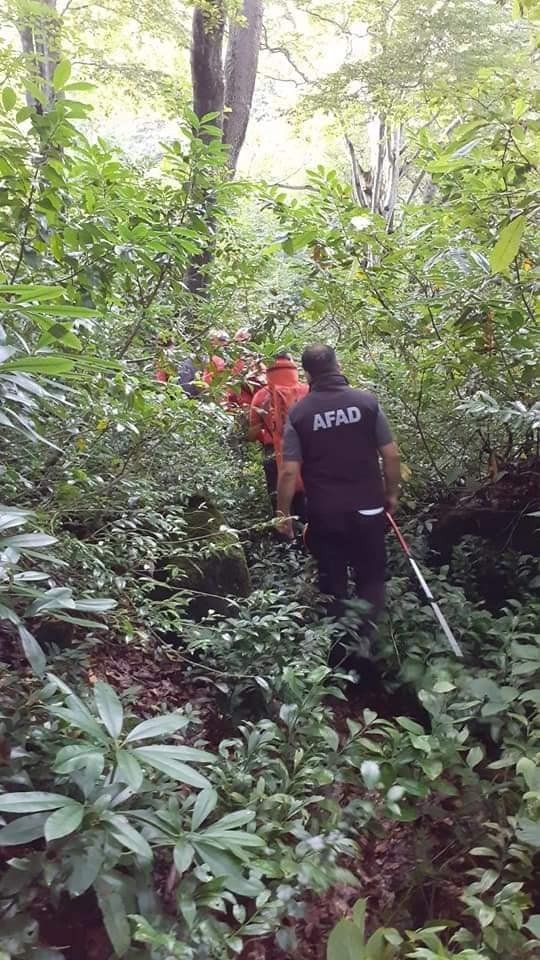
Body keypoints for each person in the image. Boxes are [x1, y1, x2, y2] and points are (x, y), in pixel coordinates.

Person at [277, 344, 400, 667]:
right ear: (337, 364)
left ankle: (341, 657)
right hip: (369, 509)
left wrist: (283, 513)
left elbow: (289, 470)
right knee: (371, 577)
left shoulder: (300, 414)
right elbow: (390, 454)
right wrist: (392, 494)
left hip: (325, 514)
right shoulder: (366, 403)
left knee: (333, 581)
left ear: (307, 374)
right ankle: (369, 648)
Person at [249, 352, 309, 517]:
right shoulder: (307, 390)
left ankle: (284, 535)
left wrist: (269, 432)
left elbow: (252, 434)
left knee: (279, 500)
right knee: (308, 497)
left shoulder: (261, 395)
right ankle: (309, 536)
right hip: (307, 450)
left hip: (273, 452)